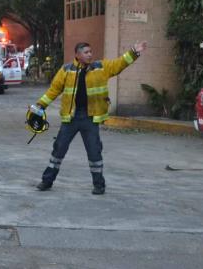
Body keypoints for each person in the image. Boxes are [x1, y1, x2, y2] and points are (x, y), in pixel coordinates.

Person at [34, 40, 148, 194]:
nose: (90, 55)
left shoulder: (100, 67)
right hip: (71, 118)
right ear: (77, 55)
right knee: (59, 149)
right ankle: (47, 181)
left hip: (90, 118)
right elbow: (53, 90)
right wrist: (41, 105)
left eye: (90, 52)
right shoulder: (66, 70)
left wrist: (134, 51)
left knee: (94, 152)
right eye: (86, 52)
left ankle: (99, 185)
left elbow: (120, 64)